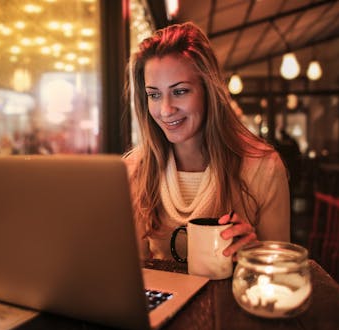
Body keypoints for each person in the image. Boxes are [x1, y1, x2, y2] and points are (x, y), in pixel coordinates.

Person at [123, 22, 290, 261]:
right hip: (166, 299)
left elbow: (281, 273)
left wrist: (255, 256)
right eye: (154, 95)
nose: (165, 110)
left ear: (208, 92)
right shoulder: (135, 170)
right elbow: (132, 275)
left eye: (180, 91)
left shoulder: (263, 168)